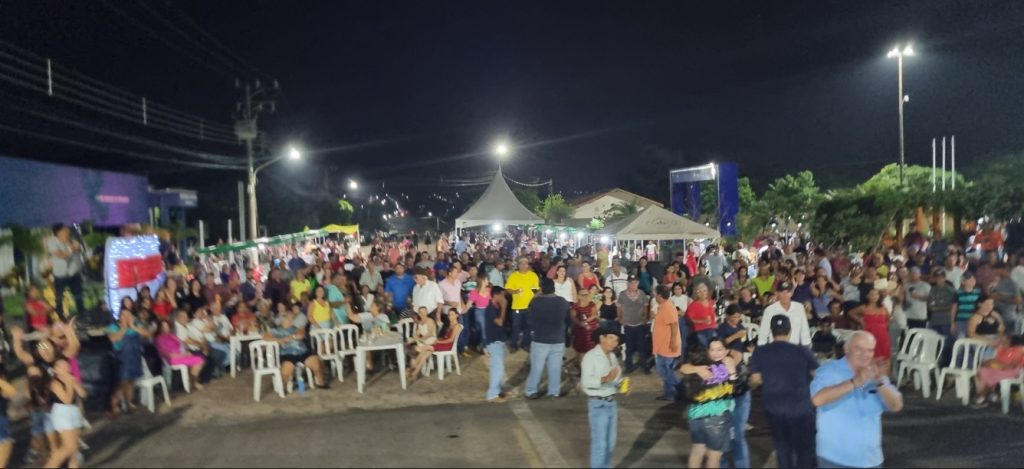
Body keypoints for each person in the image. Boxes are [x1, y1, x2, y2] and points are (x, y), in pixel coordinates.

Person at [811, 331, 903, 468]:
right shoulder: (829, 371)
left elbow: (897, 405)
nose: (865, 354)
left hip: (871, 460)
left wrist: (880, 383)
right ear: (846, 349)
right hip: (835, 459)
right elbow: (817, 400)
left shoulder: (876, 374)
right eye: (858, 349)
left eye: (870, 350)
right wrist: (855, 382)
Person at [749, 315, 818, 468]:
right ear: (790, 331)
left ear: (771, 331)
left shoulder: (760, 352)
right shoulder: (802, 350)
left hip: (774, 408)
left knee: (782, 448)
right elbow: (816, 374)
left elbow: (756, 379)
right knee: (804, 449)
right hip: (800, 408)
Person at [679, 337, 739, 469]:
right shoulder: (723, 368)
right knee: (714, 456)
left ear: (725, 350)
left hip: (695, 416)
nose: (716, 353)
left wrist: (696, 368)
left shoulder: (700, 366)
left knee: (697, 450)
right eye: (712, 350)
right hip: (716, 418)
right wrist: (732, 368)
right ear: (707, 351)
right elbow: (736, 387)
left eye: (719, 349)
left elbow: (682, 368)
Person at [581, 328, 625, 469]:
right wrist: (605, 379)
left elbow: (616, 379)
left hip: (611, 403)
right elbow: (586, 382)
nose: (615, 342)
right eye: (612, 338)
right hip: (598, 404)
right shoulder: (590, 357)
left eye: (617, 340)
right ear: (602, 338)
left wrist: (623, 384)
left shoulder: (612, 357)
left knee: (610, 443)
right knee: (600, 445)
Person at [524, 278, 573, 399]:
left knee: (537, 367)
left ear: (541, 288)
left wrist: (536, 295)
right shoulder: (563, 302)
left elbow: (528, 318)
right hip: (558, 338)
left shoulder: (536, 302)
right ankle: (553, 392)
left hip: (540, 338)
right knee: (555, 368)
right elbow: (569, 321)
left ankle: (531, 391)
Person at [264, 303, 327, 390]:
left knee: (316, 363)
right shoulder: (276, 331)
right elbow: (265, 337)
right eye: (288, 319)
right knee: (286, 371)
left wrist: (291, 337)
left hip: (303, 352)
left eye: (291, 319)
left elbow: (301, 335)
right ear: (282, 321)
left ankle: (320, 382)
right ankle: (284, 386)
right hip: (287, 354)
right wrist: (279, 340)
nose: (290, 321)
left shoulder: (296, 327)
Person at [107, 307, 151, 416]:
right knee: (122, 385)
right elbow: (113, 339)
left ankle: (129, 404)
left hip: (135, 358)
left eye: (128, 315)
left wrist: (133, 326)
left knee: (131, 383)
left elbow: (147, 334)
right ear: (119, 316)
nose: (126, 317)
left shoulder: (136, 325)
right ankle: (114, 406)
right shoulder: (113, 327)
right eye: (124, 315)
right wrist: (124, 328)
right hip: (122, 361)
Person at [45, 358, 86, 469]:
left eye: (66, 365)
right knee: (68, 447)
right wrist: (69, 383)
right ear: (55, 370)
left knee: (75, 448)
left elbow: (83, 394)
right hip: (62, 412)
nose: (65, 367)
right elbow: (66, 400)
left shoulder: (71, 379)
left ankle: (74, 465)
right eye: (61, 365)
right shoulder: (55, 383)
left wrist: (75, 383)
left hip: (73, 411)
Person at [408, 308, 463, 383]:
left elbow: (451, 340)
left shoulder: (457, 326)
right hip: (442, 342)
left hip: (447, 345)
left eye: (452, 315)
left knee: (426, 347)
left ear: (457, 315)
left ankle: (413, 367)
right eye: (449, 315)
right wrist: (439, 340)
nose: (450, 316)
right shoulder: (448, 324)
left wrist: (438, 342)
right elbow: (442, 336)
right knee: (426, 354)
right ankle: (415, 372)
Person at [971, 334, 1024, 408]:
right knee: (982, 371)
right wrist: (990, 363)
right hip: (1000, 369)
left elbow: (1011, 366)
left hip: (1012, 371)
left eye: (1005, 341)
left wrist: (994, 364)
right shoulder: (1001, 349)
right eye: (1001, 340)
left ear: (1011, 341)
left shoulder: (1017, 350)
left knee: (984, 372)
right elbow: (996, 360)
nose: (1002, 342)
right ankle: (988, 395)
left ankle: (982, 396)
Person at [47, 223, 85, 319]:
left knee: (78, 295)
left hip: (74, 273)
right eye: (65, 230)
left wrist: (74, 246)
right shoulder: (52, 242)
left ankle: (82, 314)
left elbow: (80, 249)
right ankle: (60, 316)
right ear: (59, 232)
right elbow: (62, 255)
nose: (67, 231)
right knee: (59, 297)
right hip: (60, 274)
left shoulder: (72, 240)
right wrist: (71, 249)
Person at [154, 319, 205, 389]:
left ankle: (192, 381)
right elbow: (169, 355)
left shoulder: (171, 335)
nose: (166, 328)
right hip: (171, 359)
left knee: (199, 360)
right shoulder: (159, 339)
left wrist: (186, 352)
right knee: (199, 360)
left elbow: (182, 344)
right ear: (159, 328)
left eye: (167, 326)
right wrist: (184, 354)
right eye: (163, 327)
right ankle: (193, 382)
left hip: (181, 355)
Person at [757, 282, 811, 346]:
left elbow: (804, 331)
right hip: (775, 349)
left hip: (794, 349)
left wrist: (806, 346)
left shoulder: (799, 307)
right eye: (782, 292)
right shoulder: (769, 310)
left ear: (791, 293)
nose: (785, 295)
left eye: (787, 292)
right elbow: (763, 334)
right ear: (777, 293)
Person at [651, 285, 681, 401]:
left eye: (655, 293)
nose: (654, 295)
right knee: (665, 370)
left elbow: (674, 325)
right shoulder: (663, 306)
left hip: (667, 346)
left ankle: (681, 389)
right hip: (662, 346)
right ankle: (669, 394)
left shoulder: (667, 307)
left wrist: (673, 342)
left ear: (659, 295)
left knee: (665, 371)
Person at [505, 258, 540, 353]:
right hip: (517, 307)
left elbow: (536, 289)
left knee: (528, 326)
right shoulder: (513, 276)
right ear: (518, 265)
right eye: (521, 263)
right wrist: (515, 291)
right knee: (515, 326)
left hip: (530, 307)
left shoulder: (533, 275)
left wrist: (535, 298)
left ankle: (526, 344)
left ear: (528, 265)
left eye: (526, 263)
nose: (524, 265)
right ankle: (513, 345)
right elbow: (507, 289)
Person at [618, 276, 652, 373]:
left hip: (640, 324)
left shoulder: (642, 293)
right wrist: (620, 318)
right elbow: (619, 307)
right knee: (629, 347)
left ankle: (644, 366)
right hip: (628, 324)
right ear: (628, 283)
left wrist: (645, 318)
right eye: (631, 282)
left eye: (635, 282)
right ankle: (629, 367)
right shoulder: (622, 294)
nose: (633, 284)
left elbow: (646, 306)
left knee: (642, 346)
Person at [484, 288, 510, 403]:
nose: (504, 298)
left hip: (499, 340)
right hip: (494, 341)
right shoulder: (490, 309)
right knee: (497, 368)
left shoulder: (496, 306)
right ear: (496, 295)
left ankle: (497, 390)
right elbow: (499, 322)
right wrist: (504, 307)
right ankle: (492, 394)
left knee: (498, 367)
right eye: (502, 295)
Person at [860, 289, 892, 372]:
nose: (874, 296)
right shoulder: (864, 307)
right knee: (870, 356)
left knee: (884, 359)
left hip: (882, 336)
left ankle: (886, 379)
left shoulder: (883, 308)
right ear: (867, 296)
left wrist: (885, 327)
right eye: (872, 294)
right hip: (870, 335)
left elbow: (889, 319)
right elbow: (851, 313)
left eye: (876, 294)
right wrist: (861, 321)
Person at [687, 283, 718, 348]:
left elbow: (713, 315)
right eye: (700, 291)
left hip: (712, 328)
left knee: (714, 347)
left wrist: (715, 320)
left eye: (704, 291)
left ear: (707, 292)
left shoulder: (710, 302)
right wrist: (703, 321)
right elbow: (691, 320)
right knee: (706, 348)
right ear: (697, 293)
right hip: (701, 330)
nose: (702, 293)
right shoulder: (693, 305)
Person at [571, 289, 600, 359]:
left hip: (592, 330)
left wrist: (585, 321)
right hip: (581, 332)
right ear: (578, 296)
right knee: (582, 350)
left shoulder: (592, 304)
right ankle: (582, 367)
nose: (586, 296)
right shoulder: (575, 306)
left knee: (593, 350)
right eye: (583, 295)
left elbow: (594, 314)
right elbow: (573, 317)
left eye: (587, 294)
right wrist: (580, 323)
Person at [952, 273, 981, 339]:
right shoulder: (958, 293)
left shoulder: (978, 293)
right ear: (963, 282)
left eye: (973, 279)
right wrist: (952, 323)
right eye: (970, 279)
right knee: (961, 339)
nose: (973, 281)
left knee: (973, 340)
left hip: (974, 321)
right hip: (961, 321)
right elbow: (954, 309)